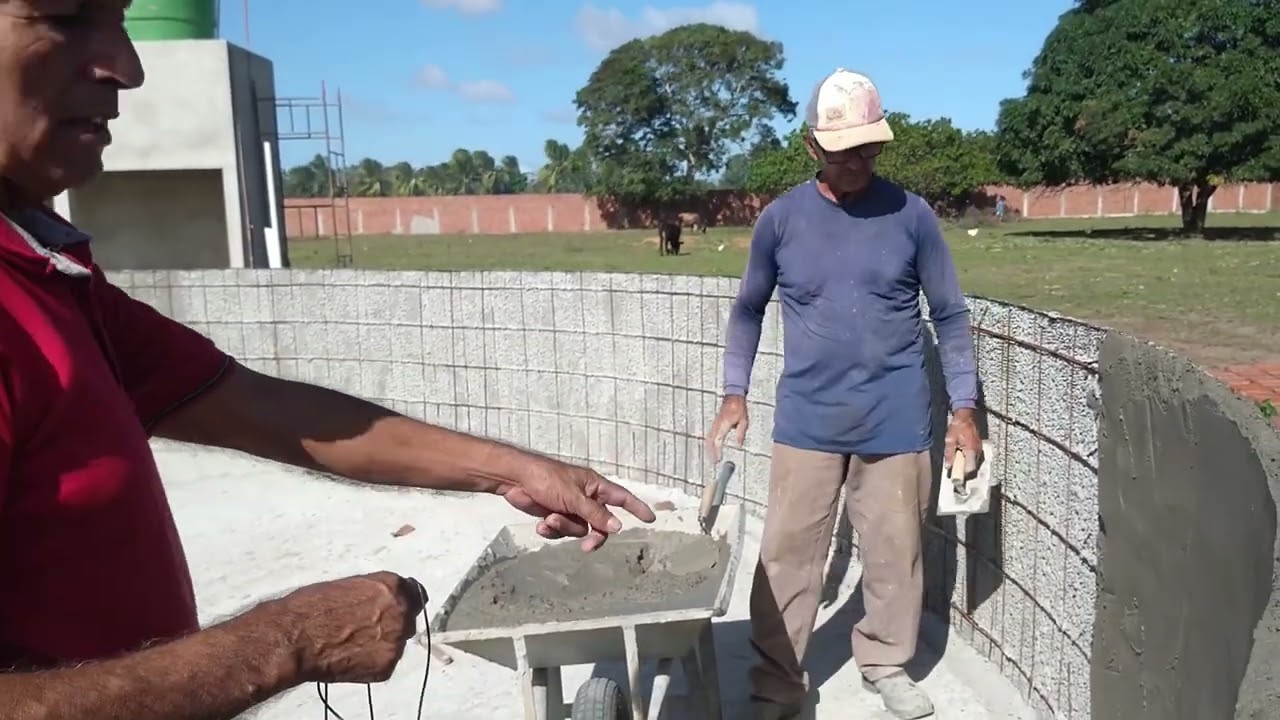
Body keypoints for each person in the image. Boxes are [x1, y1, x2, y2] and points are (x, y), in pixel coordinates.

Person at [0, 3, 655, 718]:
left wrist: (520, 470)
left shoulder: (51, 276)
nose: (126, 66)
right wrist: (287, 640)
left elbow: (262, 408)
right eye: (65, 16)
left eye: (122, 19)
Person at [706, 68, 981, 720]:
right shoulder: (781, 221)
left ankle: (886, 660)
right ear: (812, 148)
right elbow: (748, 309)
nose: (857, 161)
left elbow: (949, 314)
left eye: (867, 148)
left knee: (895, 553)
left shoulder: (912, 216)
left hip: (897, 416)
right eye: (842, 150)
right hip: (808, 419)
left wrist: (964, 410)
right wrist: (734, 391)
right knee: (787, 558)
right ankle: (778, 684)